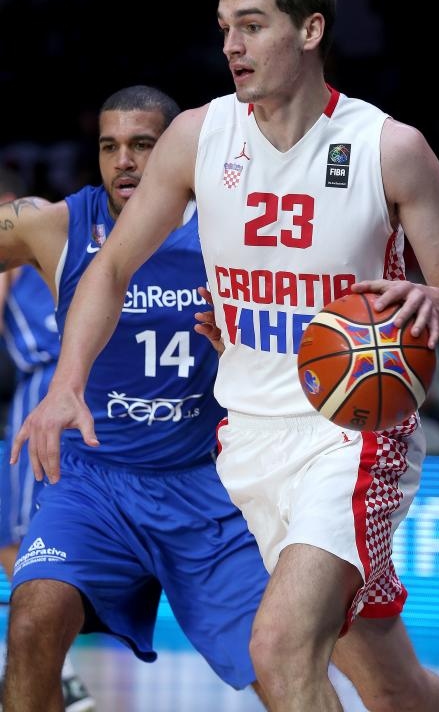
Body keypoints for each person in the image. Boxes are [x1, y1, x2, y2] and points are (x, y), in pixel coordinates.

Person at [11, 0, 439, 712]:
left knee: (278, 649)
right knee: (393, 687)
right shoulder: (200, 137)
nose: (232, 44)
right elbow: (108, 267)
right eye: (226, 25)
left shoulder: (387, 148)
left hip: (352, 431)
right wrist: (67, 385)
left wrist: (436, 304)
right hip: (249, 440)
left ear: (310, 30)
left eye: (254, 24)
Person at [0, 86, 271, 712]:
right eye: (110, 146)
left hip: (206, 485)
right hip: (94, 481)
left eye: (143, 145)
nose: (124, 160)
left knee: (279, 662)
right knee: (33, 616)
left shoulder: (231, 226)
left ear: (181, 150)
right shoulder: (61, 226)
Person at [0, 168, 95, 711]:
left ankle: (63, 676)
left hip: (44, 387)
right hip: (79, 386)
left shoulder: (30, 241)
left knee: (20, 545)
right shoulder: (66, 235)